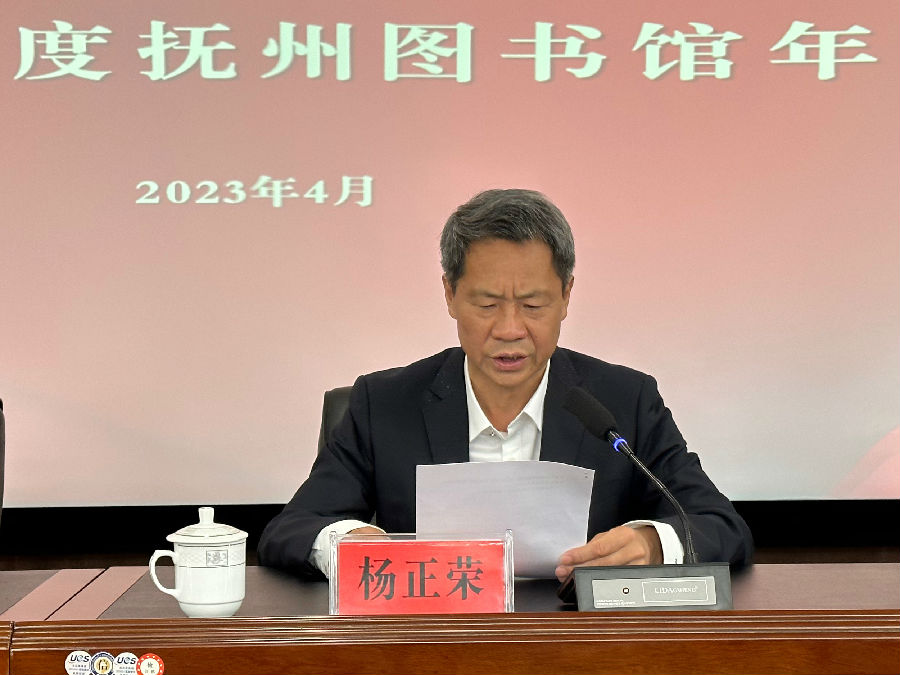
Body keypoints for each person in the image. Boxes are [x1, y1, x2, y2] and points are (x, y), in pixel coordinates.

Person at [258, 188, 753, 580]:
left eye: (533, 305)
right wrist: (349, 544)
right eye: (487, 304)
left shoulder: (623, 401)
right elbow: (291, 530)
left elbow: (721, 526)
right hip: (429, 648)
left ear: (566, 296)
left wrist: (652, 544)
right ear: (450, 295)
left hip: (577, 649)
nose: (510, 329)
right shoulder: (384, 404)